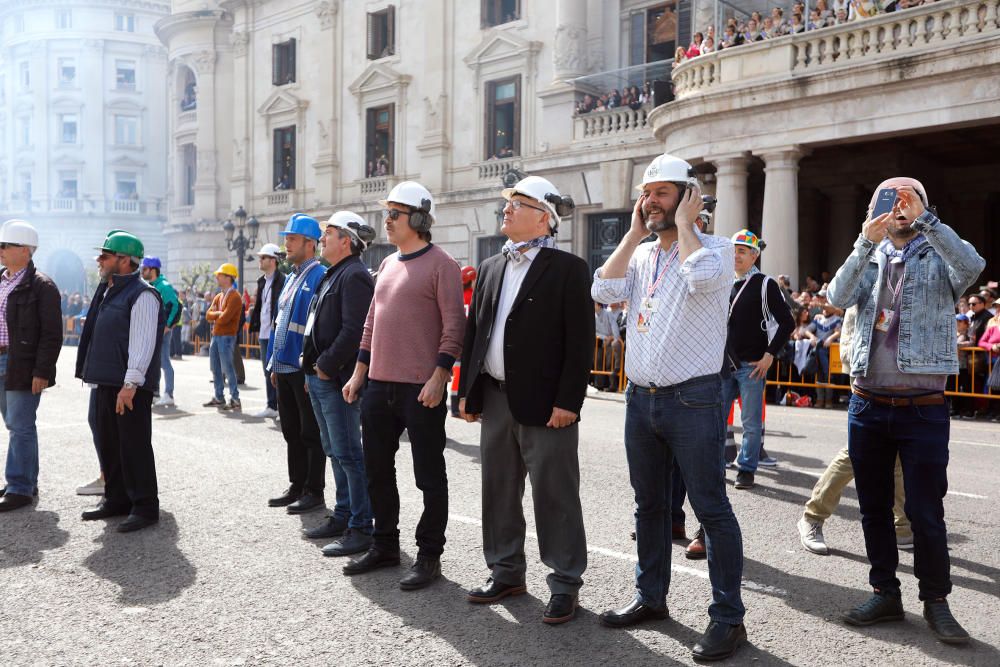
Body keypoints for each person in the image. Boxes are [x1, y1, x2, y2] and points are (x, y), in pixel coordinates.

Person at [591, 154, 746, 661]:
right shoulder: (640, 255)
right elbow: (603, 290)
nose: (649, 200)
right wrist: (633, 235)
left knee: (711, 509)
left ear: (688, 196)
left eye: (661, 192)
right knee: (650, 506)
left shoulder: (718, 249)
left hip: (694, 397)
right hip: (641, 398)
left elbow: (701, 278)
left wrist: (684, 226)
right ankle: (650, 597)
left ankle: (728, 619)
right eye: (646, 191)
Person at [828, 177, 984, 644]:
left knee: (924, 510)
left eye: (907, 200)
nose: (897, 209)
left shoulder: (940, 253)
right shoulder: (869, 255)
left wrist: (927, 221)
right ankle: (884, 593)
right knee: (873, 508)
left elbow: (972, 265)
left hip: (923, 407)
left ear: (922, 207)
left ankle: (936, 601)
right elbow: (836, 297)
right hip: (867, 402)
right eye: (888, 201)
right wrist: (862, 243)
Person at [459, 176, 592, 625]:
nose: (508, 209)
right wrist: (469, 392)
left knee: (554, 494)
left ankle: (564, 582)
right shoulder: (491, 266)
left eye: (519, 203)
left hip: (547, 404)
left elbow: (580, 344)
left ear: (544, 218)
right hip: (495, 397)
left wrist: (568, 401)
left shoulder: (570, 269)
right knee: (497, 489)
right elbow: (475, 333)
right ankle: (506, 571)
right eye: (508, 203)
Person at [341, 181, 465, 591]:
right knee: (378, 470)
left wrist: (439, 376)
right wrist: (359, 374)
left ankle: (429, 555)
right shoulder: (389, 264)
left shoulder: (442, 264)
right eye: (387, 213)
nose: (387, 221)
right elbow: (371, 325)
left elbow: (454, 327)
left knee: (429, 476)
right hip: (378, 385)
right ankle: (385, 544)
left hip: (421, 389)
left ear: (418, 218)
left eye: (394, 213)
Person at [76, 231, 164, 533]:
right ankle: (117, 498)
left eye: (105, 255)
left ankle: (144, 505)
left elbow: (142, 343)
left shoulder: (142, 294)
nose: (99, 260)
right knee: (109, 441)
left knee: (133, 444)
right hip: (106, 380)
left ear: (124, 260)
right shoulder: (109, 289)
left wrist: (130, 384)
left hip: (128, 385)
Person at [301, 212, 377, 556]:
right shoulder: (336, 273)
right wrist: (310, 367)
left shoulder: (355, 275)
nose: (322, 239)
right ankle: (343, 513)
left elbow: (355, 330)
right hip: (320, 377)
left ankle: (361, 526)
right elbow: (318, 324)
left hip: (335, 379)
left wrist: (325, 367)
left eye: (328, 233)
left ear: (346, 240)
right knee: (335, 450)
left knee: (348, 454)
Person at [722, 230, 795, 490]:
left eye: (742, 251)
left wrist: (769, 356)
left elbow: (788, 322)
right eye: (733, 250)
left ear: (755, 255)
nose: (736, 256)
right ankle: (719, 466)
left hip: (752, 365)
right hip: (723, 366)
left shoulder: (766, 284)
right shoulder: (724, 282)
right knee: (717, 421)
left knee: (751, 424)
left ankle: (746, 470)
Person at [267, 214, 328, 515]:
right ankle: (297, 484)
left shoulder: (319, 276)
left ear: (310, 243)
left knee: (310, 431)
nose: (286, 243)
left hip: (303, 369)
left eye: (292, 238)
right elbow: (280, 321)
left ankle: (314, 490)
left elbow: (316, 327)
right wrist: (273, 363)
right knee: (290, 429)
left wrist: (310, 369)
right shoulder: (291, 276)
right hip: (284, 366)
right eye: (287, 238)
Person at [0, 220, 62, 512]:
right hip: (2, 359)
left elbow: (51, 334)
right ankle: (25, 481)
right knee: (15, 424)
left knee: (21, 426)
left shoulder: (42, 286)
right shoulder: (1, 280)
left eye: (5, 246)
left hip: (22, 362)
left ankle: (19, 487)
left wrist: (43, 371)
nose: (0, 251)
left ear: (24, 251)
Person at [248, 244, 285, 419]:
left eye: (263, 257)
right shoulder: (261, 281)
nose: (260, 260)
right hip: (264, 333)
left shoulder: (283, 280)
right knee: (267, 370)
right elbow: (260, 307)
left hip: (276, 331)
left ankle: (281, 407)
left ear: (273, 260)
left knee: (279, 370)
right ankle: (271, 405)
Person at [140, 257, 180, 408]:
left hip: (162, 331)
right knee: (154, 362)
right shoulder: (152, 285)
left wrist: (168, 326)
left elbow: (175, 305)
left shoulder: (164, 286)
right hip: (153, 330)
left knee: (164, 362)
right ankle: (155, 394)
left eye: (144, 269)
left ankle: (169, 394)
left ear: (152, 270)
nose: (142, 271)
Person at [203, 264, 243, 411]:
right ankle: (219, 397)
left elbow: (225, 318)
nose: (217, 277)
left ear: (228, 277)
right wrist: (218, 314)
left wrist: (217, 314)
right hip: (217, 335)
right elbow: (208, 315)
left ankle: (235, 398)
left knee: (228, 368)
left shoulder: (235, 297)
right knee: (216, 368)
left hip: (227, 336)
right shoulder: (219, 296)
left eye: (220, 275)